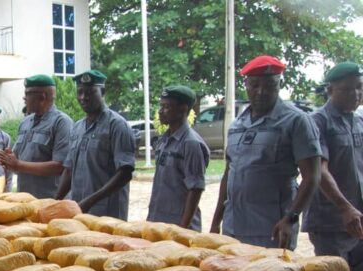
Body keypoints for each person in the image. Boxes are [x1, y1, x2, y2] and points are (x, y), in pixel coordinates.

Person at [211, 55, 321, 249]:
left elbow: (312, 176)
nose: (261, 91)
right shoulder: (237, 125)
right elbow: (229, 174)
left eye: (270, 85)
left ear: (279, 85)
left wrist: (291, 218)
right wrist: (215, 221)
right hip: (234, 228)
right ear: (246, 85)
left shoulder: (296, 121)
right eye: (254, 85)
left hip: (272, 230)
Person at [301, 62, 363, 271]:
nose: (356, 94)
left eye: (359, 88)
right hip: (332, 221)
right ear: (329, 90)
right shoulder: (317, 122)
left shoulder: (358, 122)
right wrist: (344, 207)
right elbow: (319, 170)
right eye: (348, 89)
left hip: (359, 218)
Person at [55, 70, 134, 217]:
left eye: (90, 92)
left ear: (102, 92)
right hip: (78, 210)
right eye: (80, 92)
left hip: (107, 214)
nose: (83, 97)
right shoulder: (77, 127)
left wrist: (90, 202)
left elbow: (125, 173)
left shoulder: (117, 125)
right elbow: (69, 169)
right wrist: (56, 202)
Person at [0, 74, 73, 199]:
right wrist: (9, 159)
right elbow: (18, 160)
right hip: (24, 199)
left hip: (50, 201)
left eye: (27, 94)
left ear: (42, 97)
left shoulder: (62, 123)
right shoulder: (25, 122)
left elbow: (60, 166)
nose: (24, 98)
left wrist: (18, 164)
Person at [147, 85, 209, 230]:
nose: (161, 111)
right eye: (161, 106)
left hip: (179, 225)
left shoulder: (191, 143)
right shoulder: (165, 139)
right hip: (158, 221)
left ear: (183, 109)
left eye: (167, 107)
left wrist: (182, 229)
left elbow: (195, 189)